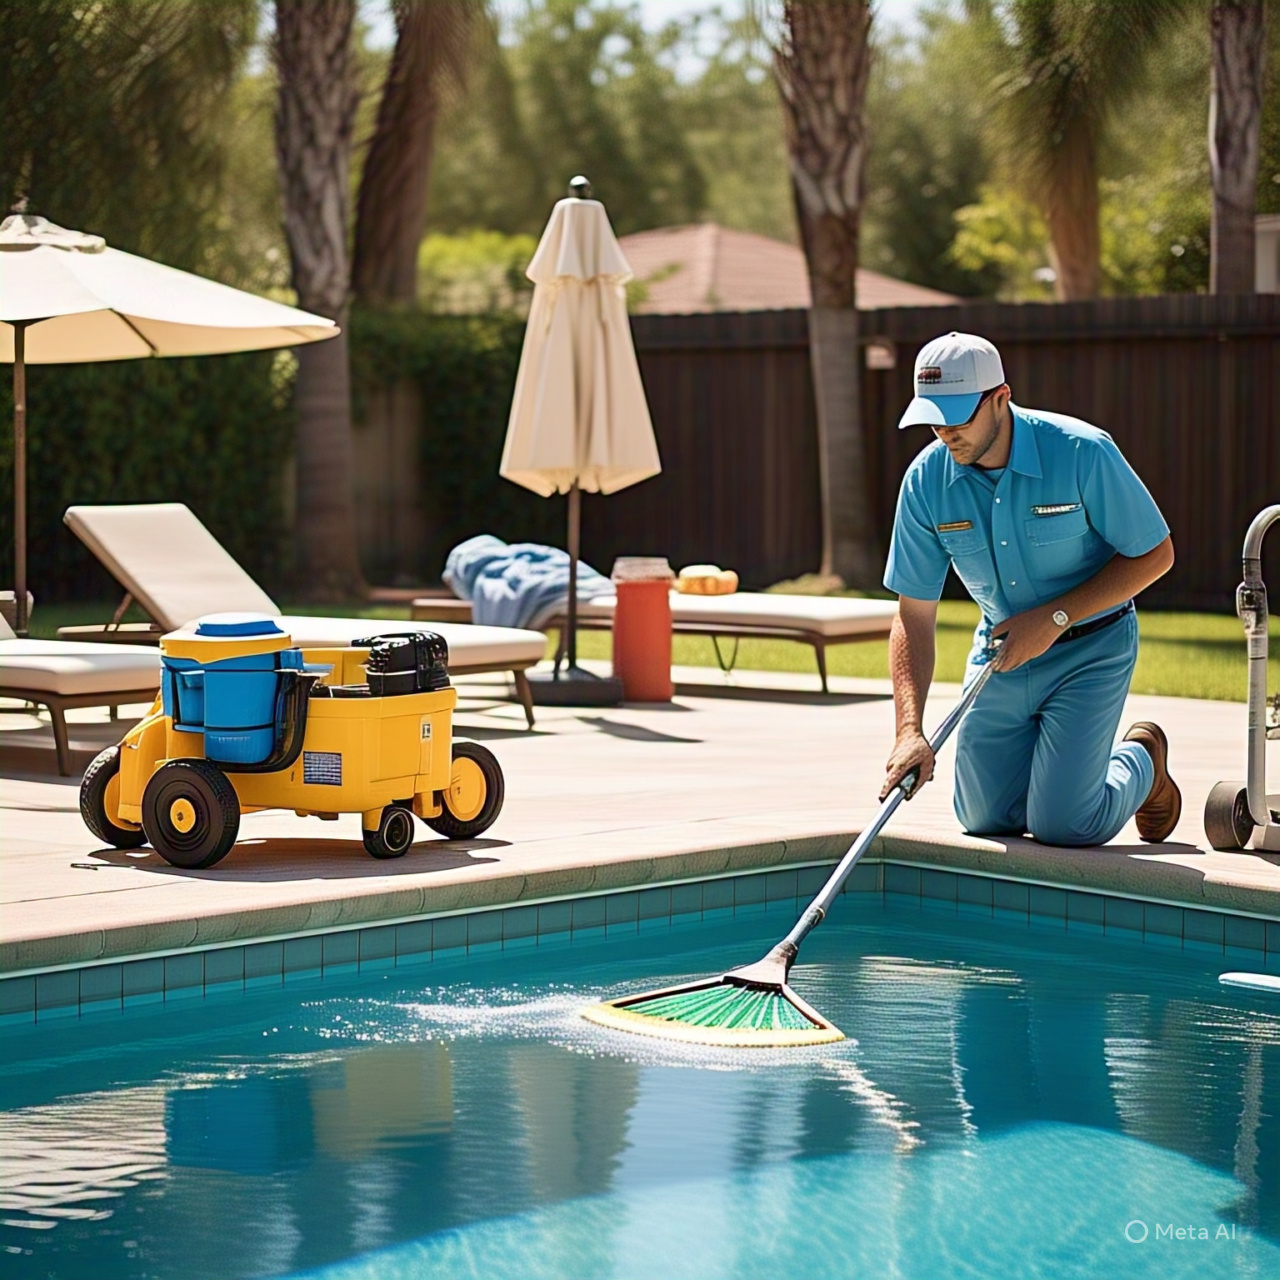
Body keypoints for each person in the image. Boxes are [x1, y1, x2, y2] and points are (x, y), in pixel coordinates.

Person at [880, 332, 1181, 846]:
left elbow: (1156, 554)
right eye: (934, 417)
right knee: (982, 818)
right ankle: (1060, 782)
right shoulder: (925, 481)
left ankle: (1142, 763)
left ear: (1001, 397)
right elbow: (913, 614)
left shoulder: (1083, 452)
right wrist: (910, 730)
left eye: (958, 416)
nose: (944, 432)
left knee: (1064, 825)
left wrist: (1055, 619)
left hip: (1093, 650)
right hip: (1001, 654)